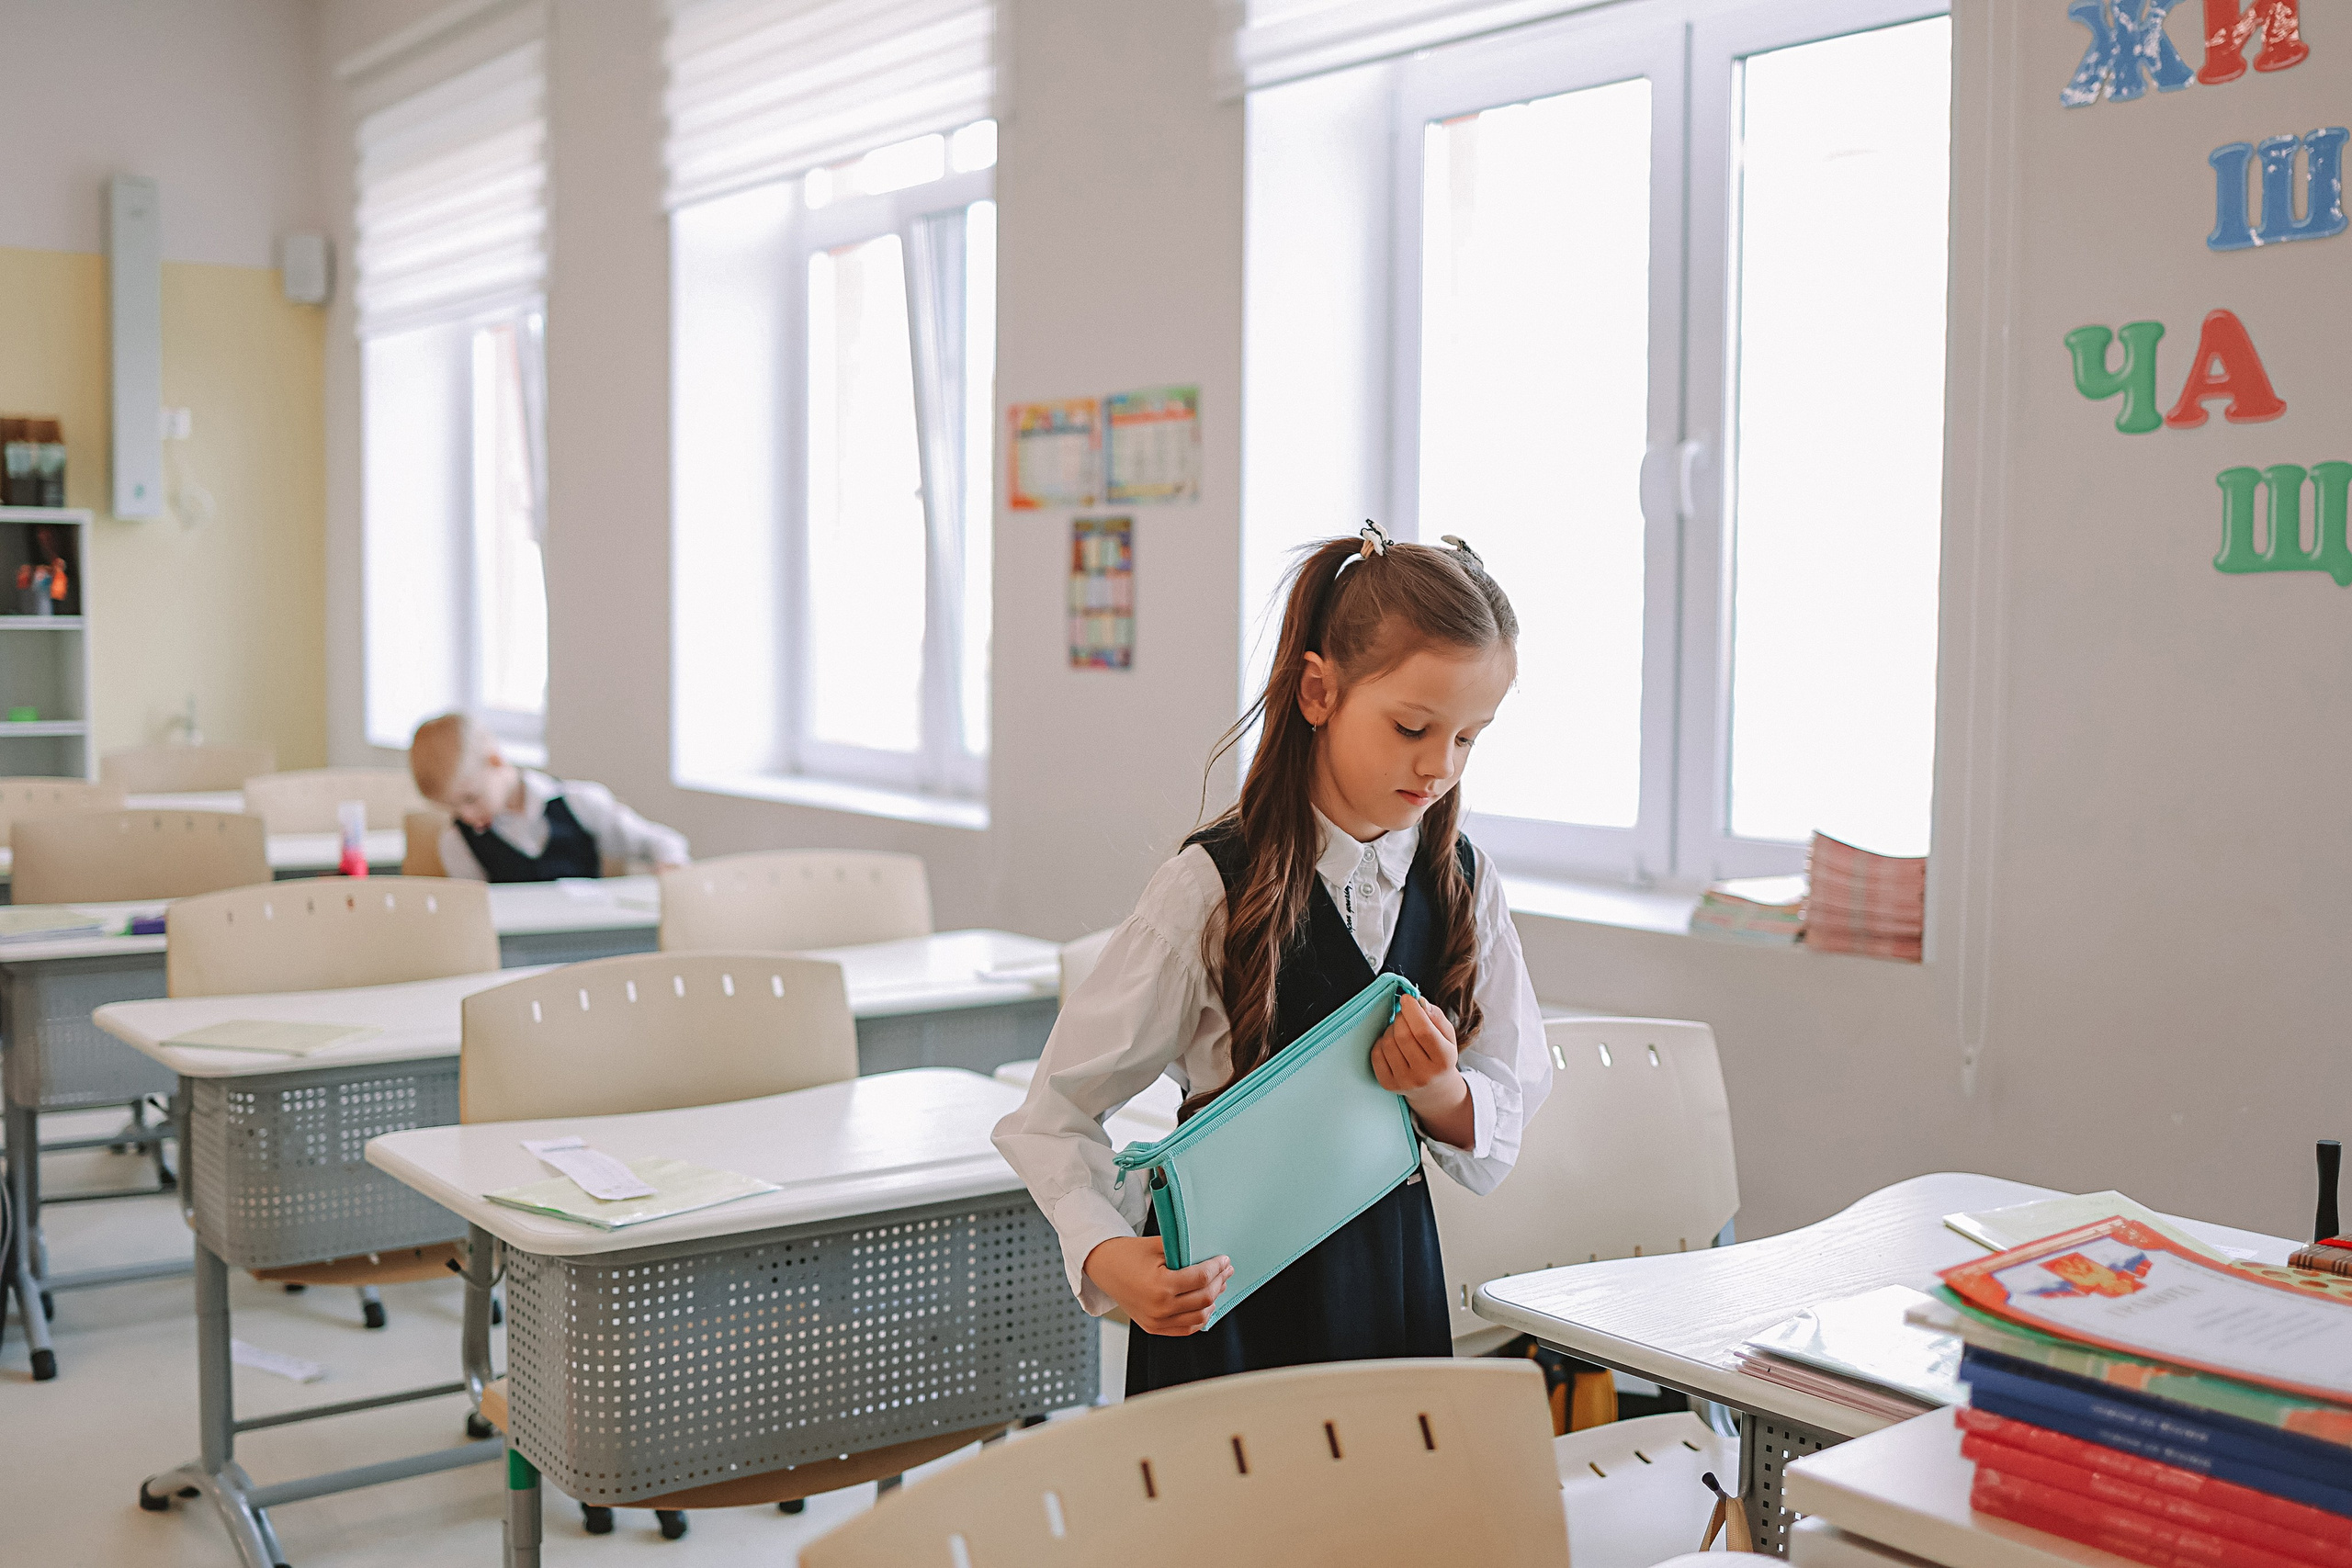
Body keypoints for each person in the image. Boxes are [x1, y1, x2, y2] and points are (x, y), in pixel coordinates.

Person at [994, 523, 1551, 1394]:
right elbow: (1051, 1115)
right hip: (1230, 1313)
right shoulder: (1208, 889)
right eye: (1412, 726)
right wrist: (1107, 1254)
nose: (1440, 766)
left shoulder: (1464, 882)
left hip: (1390, 1299)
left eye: (1470, 737)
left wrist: (1442, 1093)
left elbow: (1506, 1108)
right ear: (1318, 692)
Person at [407, 712, 689, 882]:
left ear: (495, 762)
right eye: (452, 808)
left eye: (470, 799)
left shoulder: (579, 802)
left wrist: (671, 864)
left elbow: (661, 841)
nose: (466, 815)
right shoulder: (457, 843)